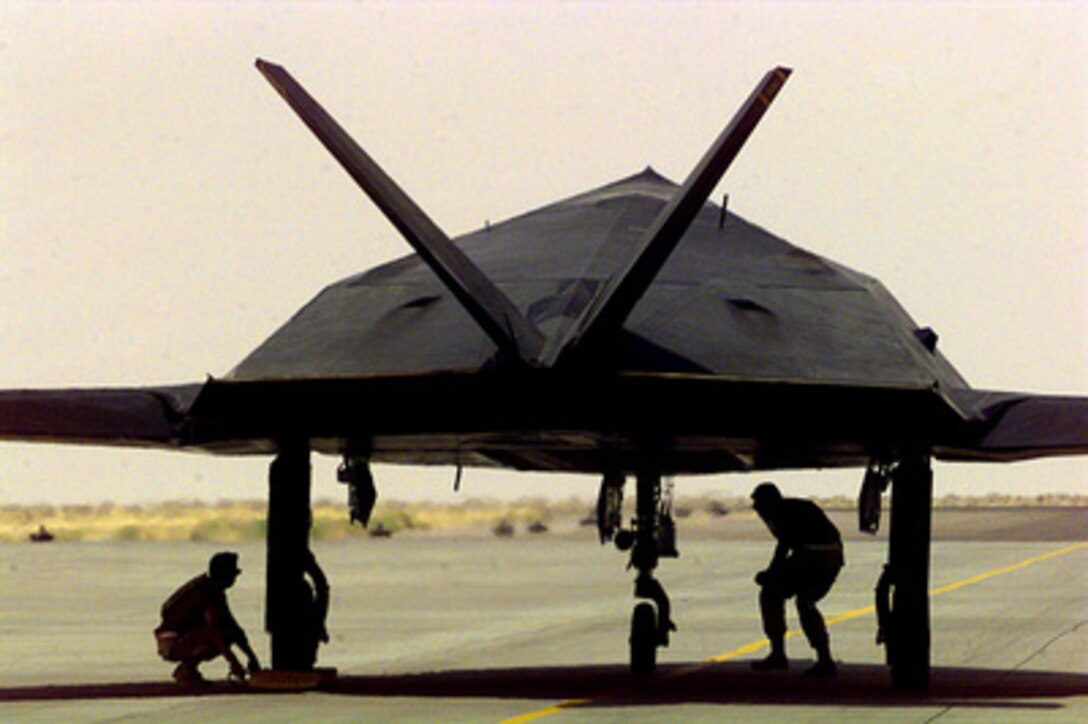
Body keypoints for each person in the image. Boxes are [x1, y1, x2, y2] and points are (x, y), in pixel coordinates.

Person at [749, 482, 844, 677]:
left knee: (786, 596)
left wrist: (770, 573)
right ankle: (818, 658)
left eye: (759, 504)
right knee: (798, 600)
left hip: (817, 556)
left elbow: (784, 546)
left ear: (770, 502)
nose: (757, 510)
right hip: (825, 555)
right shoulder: (788, 508)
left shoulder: (782, 513)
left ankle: (789, 655)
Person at [154, 551, 261, 686]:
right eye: (232, 574)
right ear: (223, 575)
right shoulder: (206, 593)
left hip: (182, 636)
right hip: (171, 641)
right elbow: (214, 631)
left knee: (228, 631)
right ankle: (187, 670)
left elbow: (234, 627)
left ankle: (188, 669)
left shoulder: (213, 589)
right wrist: (233, 662)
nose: (234, 579)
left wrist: (252, 658)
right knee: (222, 635)